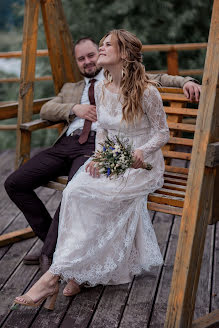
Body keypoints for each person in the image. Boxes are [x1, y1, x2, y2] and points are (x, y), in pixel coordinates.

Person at [5, 36, 201, 274]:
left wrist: (187, 81)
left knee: (76, 188)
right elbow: (47, 108)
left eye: (91, 55)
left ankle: (49, 255)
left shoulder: (127, 78)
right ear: (77, 62)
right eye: (81, 59)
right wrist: (74, 108)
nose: (87, 62)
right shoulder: (72, 88)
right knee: (14, 183)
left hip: (99, 147)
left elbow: (161, 80)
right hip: (67, 143)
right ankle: (54, 242)